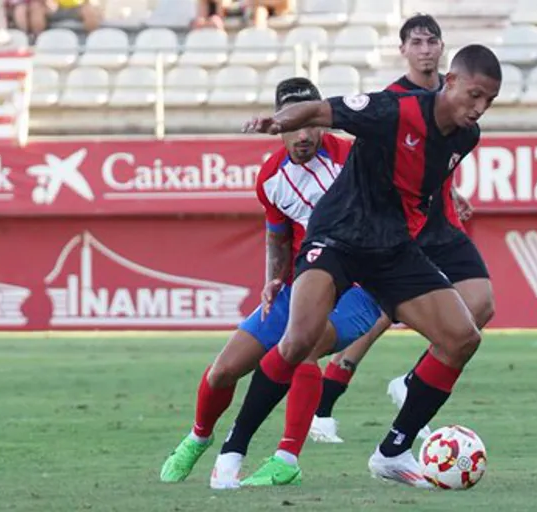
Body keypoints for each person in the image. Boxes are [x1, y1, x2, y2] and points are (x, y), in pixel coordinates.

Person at [239, 43, 502, 488]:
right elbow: (321, 109)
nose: (479, 108)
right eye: (474, 95)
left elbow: (425, 173)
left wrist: (445, 196)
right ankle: (238, 446)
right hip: (342, 235)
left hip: (393, 247)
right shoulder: (393, 109)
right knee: (299, 341)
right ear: (450, 80)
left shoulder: (466, 137)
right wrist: (278, 122)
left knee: (462, 337)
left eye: (489, 101)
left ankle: (392, 451)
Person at [158, 77, 383, 490]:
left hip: (362, 288)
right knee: (225, 369)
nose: (303, 135)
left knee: (306, 346)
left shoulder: (354, 159)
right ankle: (198, 437)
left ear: (321, 120)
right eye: (292, 125)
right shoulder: (269, 179)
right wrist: (274, 279)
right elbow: (278, 236)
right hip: (303, 286)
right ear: (278, 126)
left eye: (310, 123)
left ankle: (286, 457)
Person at [308, 14, 494, 446]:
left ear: (444, 53)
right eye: (417, 41)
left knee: (479, 306)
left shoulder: (457, 103)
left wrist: (452, 189)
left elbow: (435, 157)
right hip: (393, 229)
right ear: (404, 50)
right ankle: (327, 395)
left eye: (433, 41)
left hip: (440, 223)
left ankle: (411, 383)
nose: (425, 48)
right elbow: (375, 163)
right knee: (376, 315)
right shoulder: (391, 101)